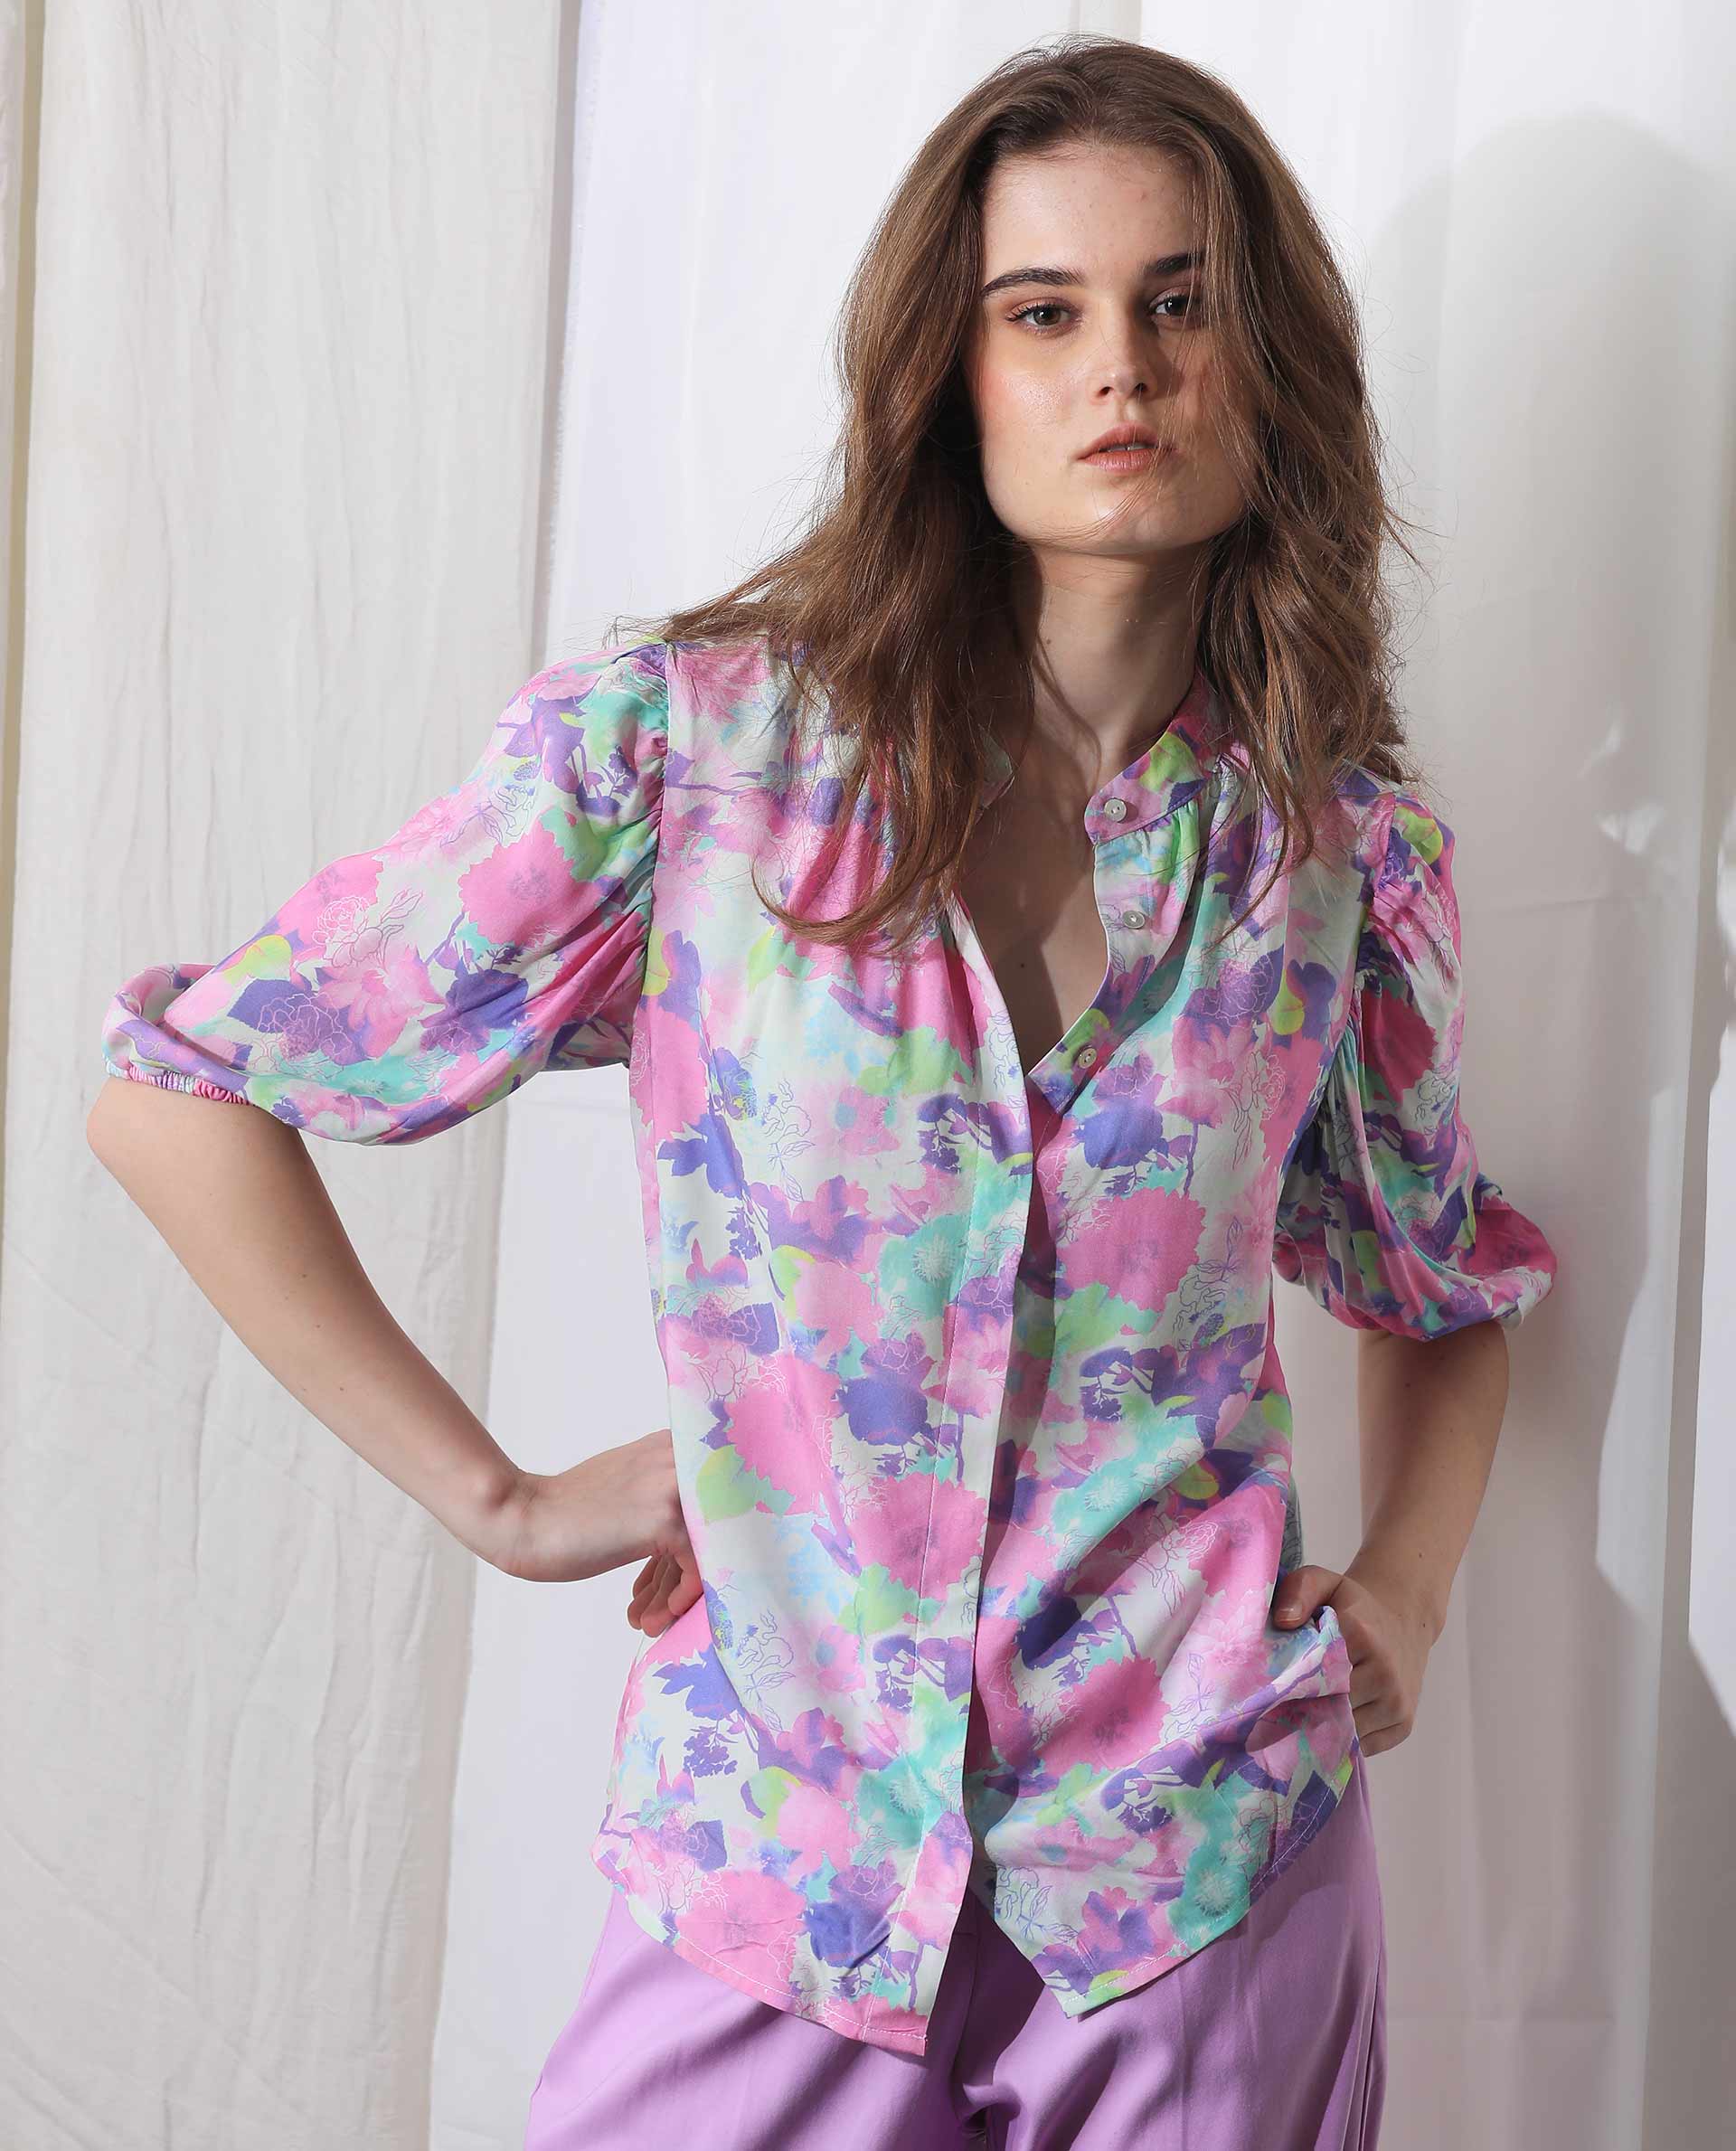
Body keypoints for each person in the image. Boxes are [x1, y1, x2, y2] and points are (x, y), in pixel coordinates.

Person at [87, 33, 1560, 2151]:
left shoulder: (1335, 866)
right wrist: (500, 1498)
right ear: (950, 376)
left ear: (1275, 366)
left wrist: (1403, 1587)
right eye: (1042, 312)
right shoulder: (691, 763)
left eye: (1182, 302)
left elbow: (1434, 1281)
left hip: (1200, 1867)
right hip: (771, 1862)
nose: (1119, 367)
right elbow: (182, 1090)